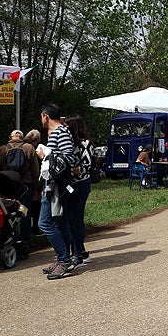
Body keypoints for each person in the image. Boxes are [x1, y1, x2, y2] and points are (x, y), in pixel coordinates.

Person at [37, 104, 76, 280]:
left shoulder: (61, 132)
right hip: (54, 184)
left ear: (45, 116)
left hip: (56, 185)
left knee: (44, 223)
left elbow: (69, 157)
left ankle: (63, 259)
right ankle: (64, 259)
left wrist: (46, 155)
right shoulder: (59, 133)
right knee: (60, 223)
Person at [0, 128, 39, 249]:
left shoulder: (1, 149)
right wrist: (36, 187)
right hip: (24, 186)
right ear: (22, 137)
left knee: (7, 212)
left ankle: (7, 238)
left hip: (6, 186)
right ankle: (25, 241)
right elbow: (35, 171)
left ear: (10, 137)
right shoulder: (29, 148)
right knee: (24, 211)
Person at [64, 115, 95, 268]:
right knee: (69, 219)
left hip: (80, 184)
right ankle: (79, 251)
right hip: (69, 184)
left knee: (76, 218)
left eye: (68, 126)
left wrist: (67, 170)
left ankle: (77, 254)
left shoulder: (86, 144)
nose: (66, 129)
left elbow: (85, 166)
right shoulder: (68, 143)